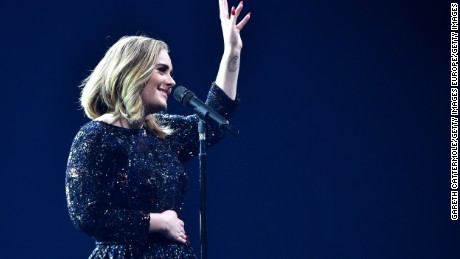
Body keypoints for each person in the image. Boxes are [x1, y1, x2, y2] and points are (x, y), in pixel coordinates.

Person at [65, 0, 250, 258]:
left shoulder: (162, 136)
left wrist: (232, 51)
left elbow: (213, 122)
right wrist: (159, 222)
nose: (172, 81)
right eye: (162, 70)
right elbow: (87, 214)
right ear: (132, 72)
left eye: (171, 72)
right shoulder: (95, 136)